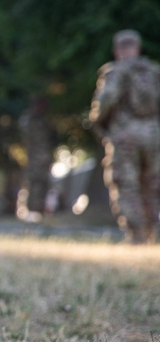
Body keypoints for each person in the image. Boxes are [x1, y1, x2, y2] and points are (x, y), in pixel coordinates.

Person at [89, 29, 160, 244]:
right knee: (154, 185)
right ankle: (156, 235)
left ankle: (136, 235)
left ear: (117, 49)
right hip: (154, 137)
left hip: (124, 137)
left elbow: (107, 99)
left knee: (127, 185)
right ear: (137, 47)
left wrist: (97, 122)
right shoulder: (154, 72)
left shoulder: (115, 72)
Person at [18, 94, 54, 218]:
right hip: (34, 158)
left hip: (44, 158)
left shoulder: (43, 121)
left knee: (44, 183)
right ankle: (30, 210)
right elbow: (27, 136)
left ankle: (40, 210)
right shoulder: (29, 119)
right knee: (34, 183)